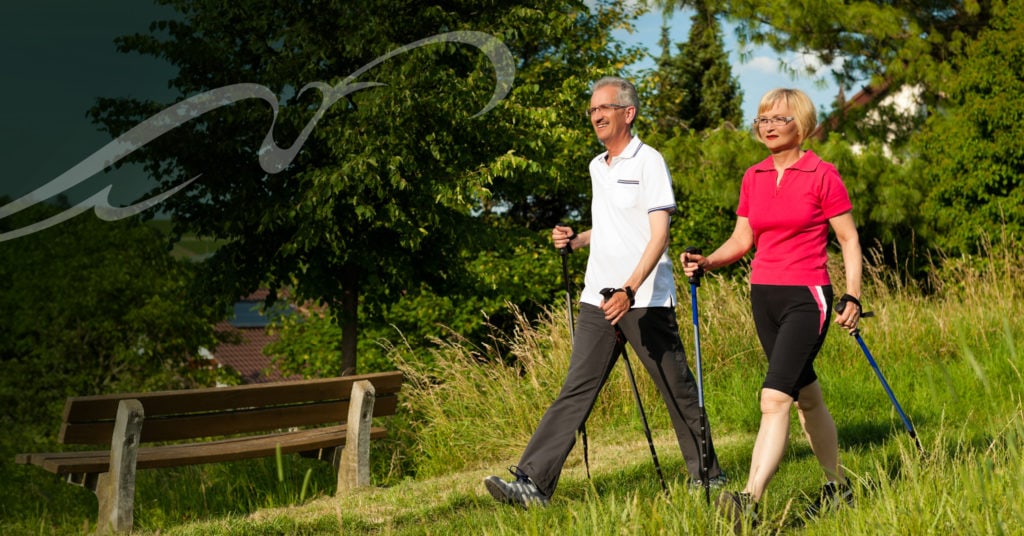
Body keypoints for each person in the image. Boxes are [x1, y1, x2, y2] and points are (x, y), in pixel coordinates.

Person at [484, 76, 724, 509]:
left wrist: (631, 290)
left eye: (604, 108)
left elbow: (659, 236)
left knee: (676, 390)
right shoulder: (598, 166)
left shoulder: (649, 162)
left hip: (643, 299)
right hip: (598, 297)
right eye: (592, 110)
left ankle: (708, 479)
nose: (596, 116)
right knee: (576, 388)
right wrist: (575, 240)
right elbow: (613, 226)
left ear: (627, 113)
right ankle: (532, 484)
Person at [679, 88, 863, 530]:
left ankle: (748, 497)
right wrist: (709, 261)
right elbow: (743, 240)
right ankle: (839, 487)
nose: (768, 126)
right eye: (762, 119)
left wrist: (853, 296)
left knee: (774, 398)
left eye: (779, 118)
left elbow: (849, 239)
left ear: (801, 124)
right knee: (806, 398)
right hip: (763, 295)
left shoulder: (822, 174)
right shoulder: (754, 176)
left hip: (807, 296)